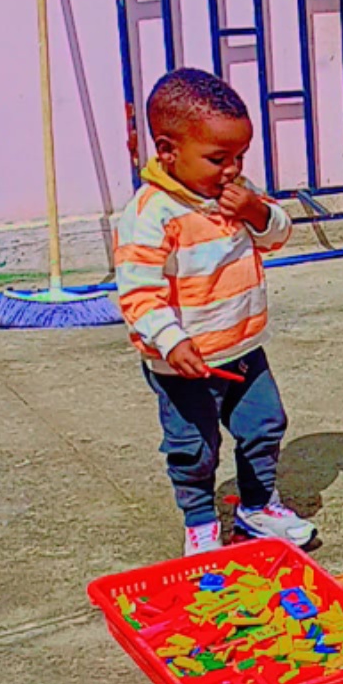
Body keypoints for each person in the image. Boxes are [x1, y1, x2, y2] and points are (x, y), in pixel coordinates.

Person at [114, 69, 316, 556]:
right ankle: (201, 523)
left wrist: (255, 211)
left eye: (240, 157)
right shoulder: (151, 214)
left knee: (265, 426)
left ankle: (257, 506)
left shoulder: (237, 193)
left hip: (243, 348)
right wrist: (171, 340)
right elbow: (139, 294)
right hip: (186, 363)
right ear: (168, 151)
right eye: (218, 158)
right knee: (194, 447)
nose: (232, 169)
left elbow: (276, 236)